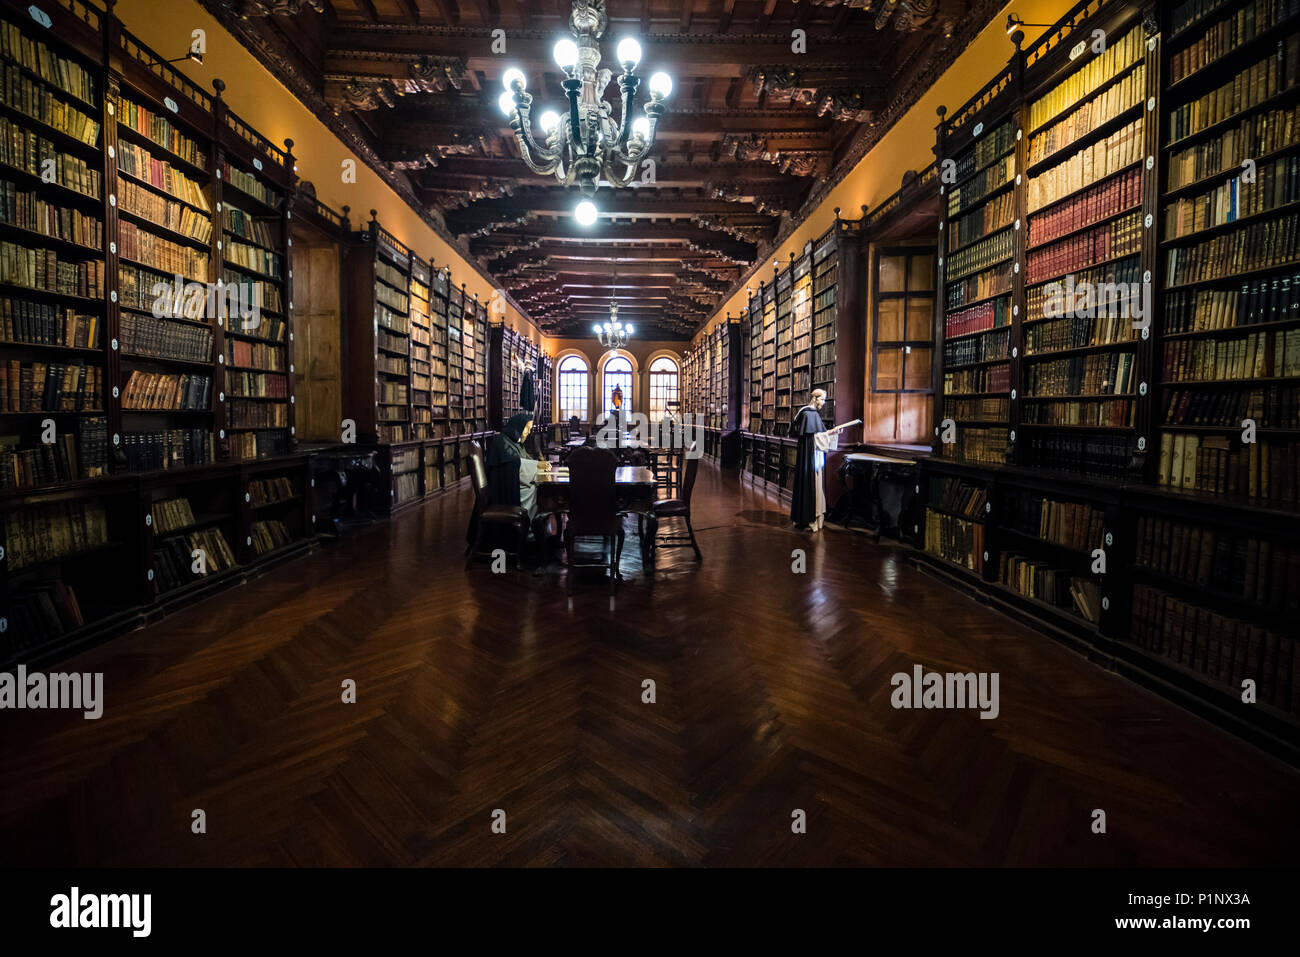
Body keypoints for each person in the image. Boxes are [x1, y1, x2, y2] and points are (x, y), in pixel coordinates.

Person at [486, 412, 550, 522]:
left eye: (530, 429)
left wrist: (538, 464)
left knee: (538, 486)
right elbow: (512, 463)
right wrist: (537, 465)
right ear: (518, 427)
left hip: (511, 482)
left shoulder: (515, 442)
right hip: (502, 489)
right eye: (527, 429)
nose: (528, 432)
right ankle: (528, 524)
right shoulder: (501, 441)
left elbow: (525, 459)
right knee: (533, 488)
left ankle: (537, 520)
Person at [789, 389, 836, 532]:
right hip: (811, 455)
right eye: (822, 399)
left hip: (806, 454)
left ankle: (800, 517)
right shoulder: (811, 414)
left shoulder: (804, 412)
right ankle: (810, 518)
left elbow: (814, 434)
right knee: (811, 483)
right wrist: (831, 433)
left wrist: (829, 433)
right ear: (815, 399)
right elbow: (816, 437)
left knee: (803, 482)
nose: (824, 402)